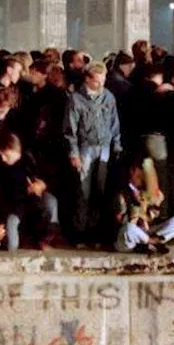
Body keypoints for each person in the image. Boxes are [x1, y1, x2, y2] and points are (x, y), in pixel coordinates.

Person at [64, 62, 121, 243]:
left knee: (100, 190)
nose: (100, 85)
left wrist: (117, 146)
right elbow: (70, 130)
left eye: (103, 80)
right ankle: (80, 232)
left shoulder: (108, 97)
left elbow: (114, 124)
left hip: (104, 148)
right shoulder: (75, 99)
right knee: (83, 191)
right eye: (97, 81)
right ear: (87, 79)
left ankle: (96, 232)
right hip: (85, 148)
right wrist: (73, 153)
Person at [0, 133, 59, 252]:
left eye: (5, 154)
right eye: (1, 155)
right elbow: (0, 196)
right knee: (11, 235)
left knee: (51, 202)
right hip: (14, 206)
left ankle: (44, 239)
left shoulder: (29, 158)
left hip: (34, 200)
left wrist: (42, 184)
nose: (3, 158)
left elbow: (48, 176)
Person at [113, 158, 174, 254]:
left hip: (147, 232)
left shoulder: (147, 190)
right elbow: (120, 222)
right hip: (129, 239)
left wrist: (156, 204)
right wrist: (136, 209)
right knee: (129, 229)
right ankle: (153, 243)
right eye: (140, 173)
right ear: (132, 171)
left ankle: (149, 243)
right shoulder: (122, 193)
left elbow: (154, 216)